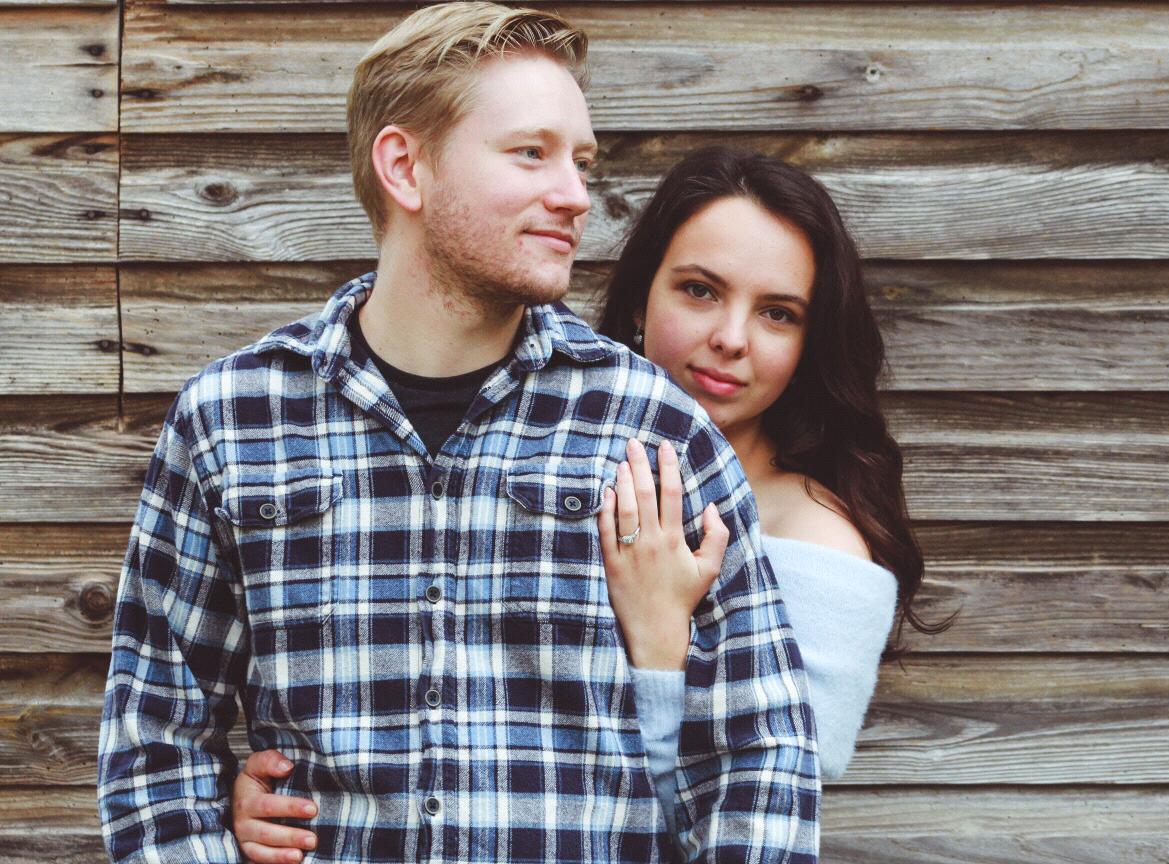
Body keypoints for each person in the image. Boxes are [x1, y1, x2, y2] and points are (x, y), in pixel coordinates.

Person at [95, 5, 820, 863]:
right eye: (532, 153)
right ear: (406, 167)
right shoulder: (233, 419)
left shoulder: (652, 429)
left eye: (582, 162)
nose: (575, 196)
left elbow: (758, 753)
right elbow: (156, 739)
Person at [229, 148, 951, 861]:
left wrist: (661, 639)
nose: (731, 339)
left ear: (810, 342)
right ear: (642, 297)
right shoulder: (535, 453)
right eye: (700, 291)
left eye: (778, 314)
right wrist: (287, 791)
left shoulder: (819, 547)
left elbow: (758, 813)